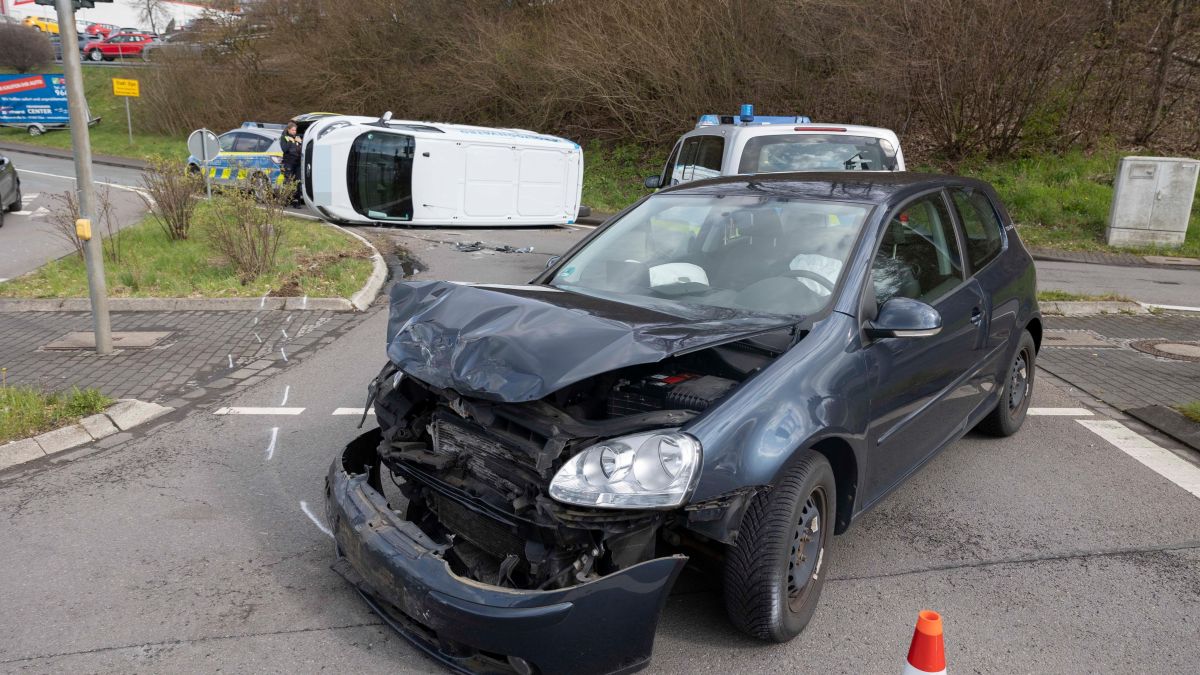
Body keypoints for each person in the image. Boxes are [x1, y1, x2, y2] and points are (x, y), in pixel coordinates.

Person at [279, 121, 303, 206]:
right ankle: (284, 200)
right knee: (288, 181)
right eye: (293, 130)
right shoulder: (284, 138)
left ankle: (297, 202)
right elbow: (284, 149)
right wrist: (290, 141)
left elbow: (302, 150)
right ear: (288, 130)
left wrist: (300, 142)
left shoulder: (297, 138)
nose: (294, 132)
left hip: (297, 163)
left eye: (295, 130)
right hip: (288, 163)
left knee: (298, 182)